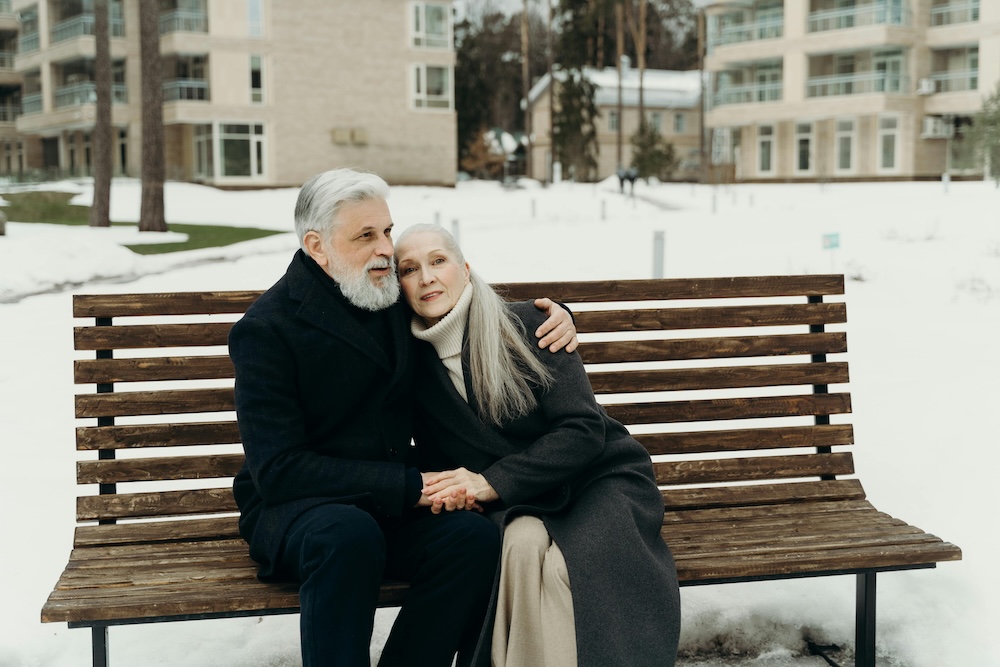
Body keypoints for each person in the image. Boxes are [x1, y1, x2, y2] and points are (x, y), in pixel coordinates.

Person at [228, 168, 578, 667]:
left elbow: (465, 302)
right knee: (348, 535)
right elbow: (279, 470)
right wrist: (407, 486)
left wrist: (555, 315)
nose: (385, 249)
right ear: (317, 246)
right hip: (299, 509)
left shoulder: (385, 294)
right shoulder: (267, 330)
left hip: (384, 505)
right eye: (365, 236)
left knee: (473, 539)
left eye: (387, 231)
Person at [395, 223, 682, 667]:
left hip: (596, 478)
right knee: (520, 550)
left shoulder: (531, 324)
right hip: (522, 500)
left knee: (568, 570)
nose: (427, 277)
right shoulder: (410, 365)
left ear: (465, 269)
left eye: (438, 261)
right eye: (409, 269)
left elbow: (583, 429)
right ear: (400, 287)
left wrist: (491, 482)